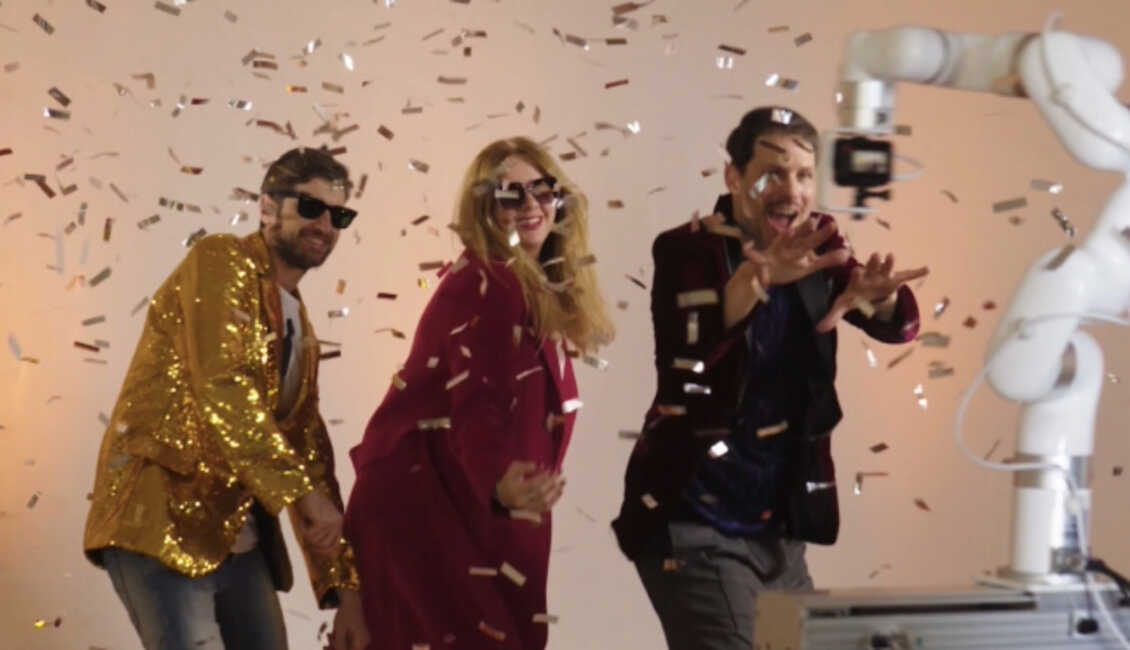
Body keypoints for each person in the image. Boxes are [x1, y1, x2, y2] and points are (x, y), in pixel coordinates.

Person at [611, 106, 928, 649]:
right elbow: (691, 354)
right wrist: (758, 280)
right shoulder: (687, 249)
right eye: (773, 173)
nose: (792, 190)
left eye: (804, 175)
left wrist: (880, 299)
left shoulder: (818, 242)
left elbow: (896, 326)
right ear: (734, 177)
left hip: (778, 531)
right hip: (693, 521)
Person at [83, 147, 370, 650]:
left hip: (240, 535)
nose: (325, 225)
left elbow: (308, 448)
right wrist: (300, 494)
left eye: (338, 215)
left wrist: (346, 592)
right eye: (310, 207)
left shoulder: (300, 328)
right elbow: (224, 385)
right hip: (162, 519)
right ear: (267, 207)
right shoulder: (220, 259)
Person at [344, 136, 615, 649]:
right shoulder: (490, 282)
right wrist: (499, 483)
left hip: (475, 510)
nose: (531, 205)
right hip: (428, 509)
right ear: (484, 210)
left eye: (542, 189)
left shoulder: (530, 290)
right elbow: (477, 402)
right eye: (511, 194)